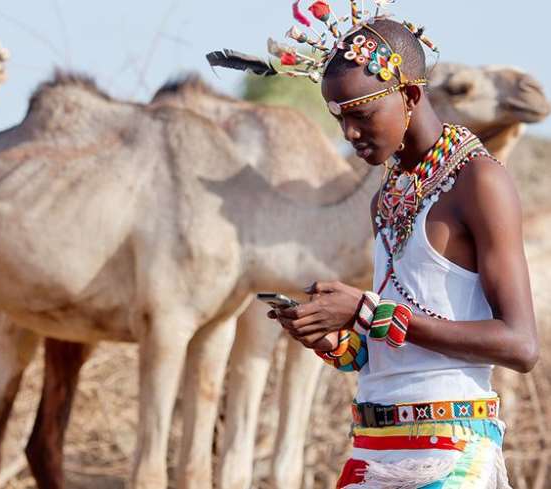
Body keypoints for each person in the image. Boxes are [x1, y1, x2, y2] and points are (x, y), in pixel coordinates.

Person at [210, 3, 537, 487]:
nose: (349, 133)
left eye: (361, 114)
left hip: (449, 456)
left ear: (407, 95)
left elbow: (520, 344)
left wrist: (367, 311)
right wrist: (335, 340)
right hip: (372, 448)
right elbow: (399, 345)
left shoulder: (478, 182)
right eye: (338, 118)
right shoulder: (388, 195)